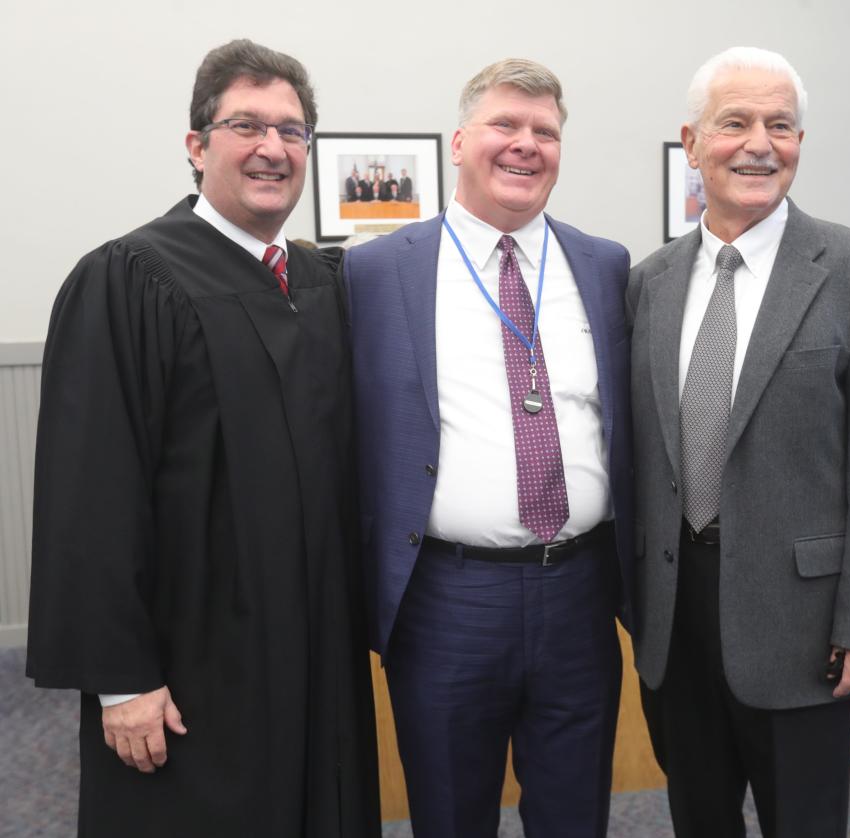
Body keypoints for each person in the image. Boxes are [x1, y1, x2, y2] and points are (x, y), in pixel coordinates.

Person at [26, 38, 380, 838]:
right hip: (193, 665)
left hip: (316, 650)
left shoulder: (321, 286)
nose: (272, 148)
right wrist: (122, 682)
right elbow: (91, 494)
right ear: (197, 145)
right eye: (246, 126)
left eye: (291, 132)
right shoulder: (129, 279)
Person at [626, 46, 850, 838]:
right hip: (675, 623)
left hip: (804, 631)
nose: (761, 143)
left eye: (781, 125)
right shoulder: (648, 283)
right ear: (691, 143)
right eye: (736, 123)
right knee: (698, 817)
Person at [345, 59, 633, 837]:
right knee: (449, 816)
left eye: (546, 131)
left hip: (580, 592)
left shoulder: (604, 266)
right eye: (506, 125)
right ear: (461, 139)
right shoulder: (373, 273)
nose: (526, 145)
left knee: (576, 817)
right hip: (447, 600)